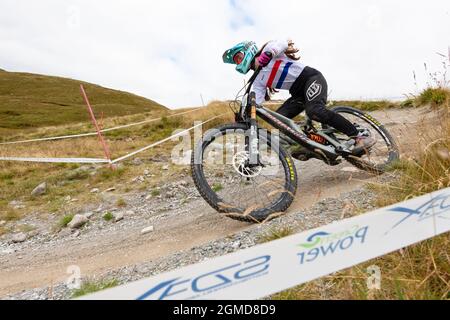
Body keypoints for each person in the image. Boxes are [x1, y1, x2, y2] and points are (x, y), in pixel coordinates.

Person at [222, 39, 376, 154]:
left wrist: (269, 53)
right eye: (236, 61)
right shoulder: (257, 81)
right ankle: (310, 145)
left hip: (311, 78)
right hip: (297, 93)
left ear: (248, 49)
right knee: (279, 119)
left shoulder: (268, 51)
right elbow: (258, 102)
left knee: (315, 110)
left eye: (238, 57)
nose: (238, 62)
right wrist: (245, 114)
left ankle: (358, 135)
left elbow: (282, 42)